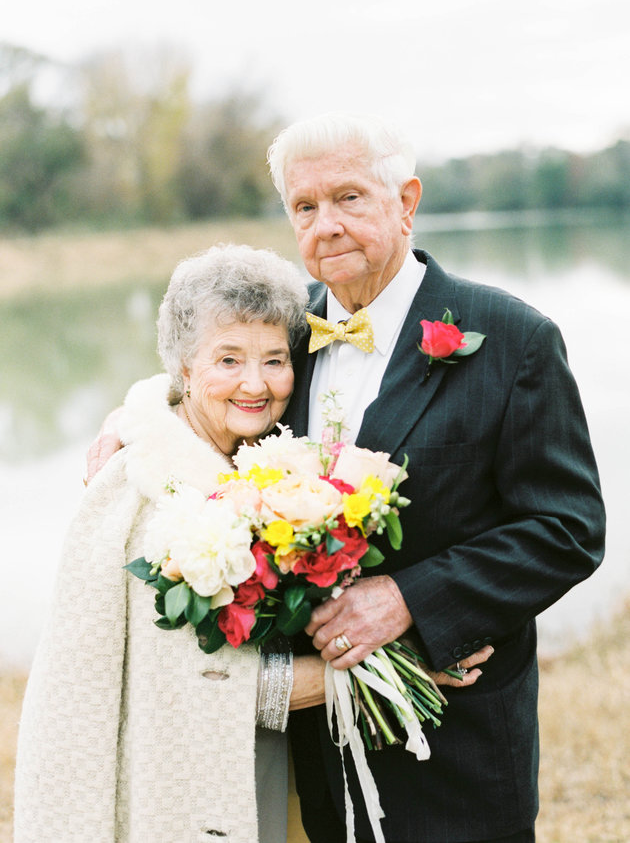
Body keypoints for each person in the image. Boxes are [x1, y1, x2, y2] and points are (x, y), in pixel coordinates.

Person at [85, 112, 605, 843]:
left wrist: (408, 600)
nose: (325, 225)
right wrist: (137, 414)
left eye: (348, 198)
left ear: (407, 201)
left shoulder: (514, 339)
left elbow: (567, 529)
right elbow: (209, 377)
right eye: (304, 206)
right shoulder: (284, 329)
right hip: (307, 754)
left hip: (454, 749)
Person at [15, 241, 488, 843]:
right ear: (185, 370)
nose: (256, 384)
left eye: (274, 360)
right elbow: (210, 686)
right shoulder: (143, 496)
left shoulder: (265, 464)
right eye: (229, 360)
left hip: (266, 769)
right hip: (180, 795)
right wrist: (401, 664)